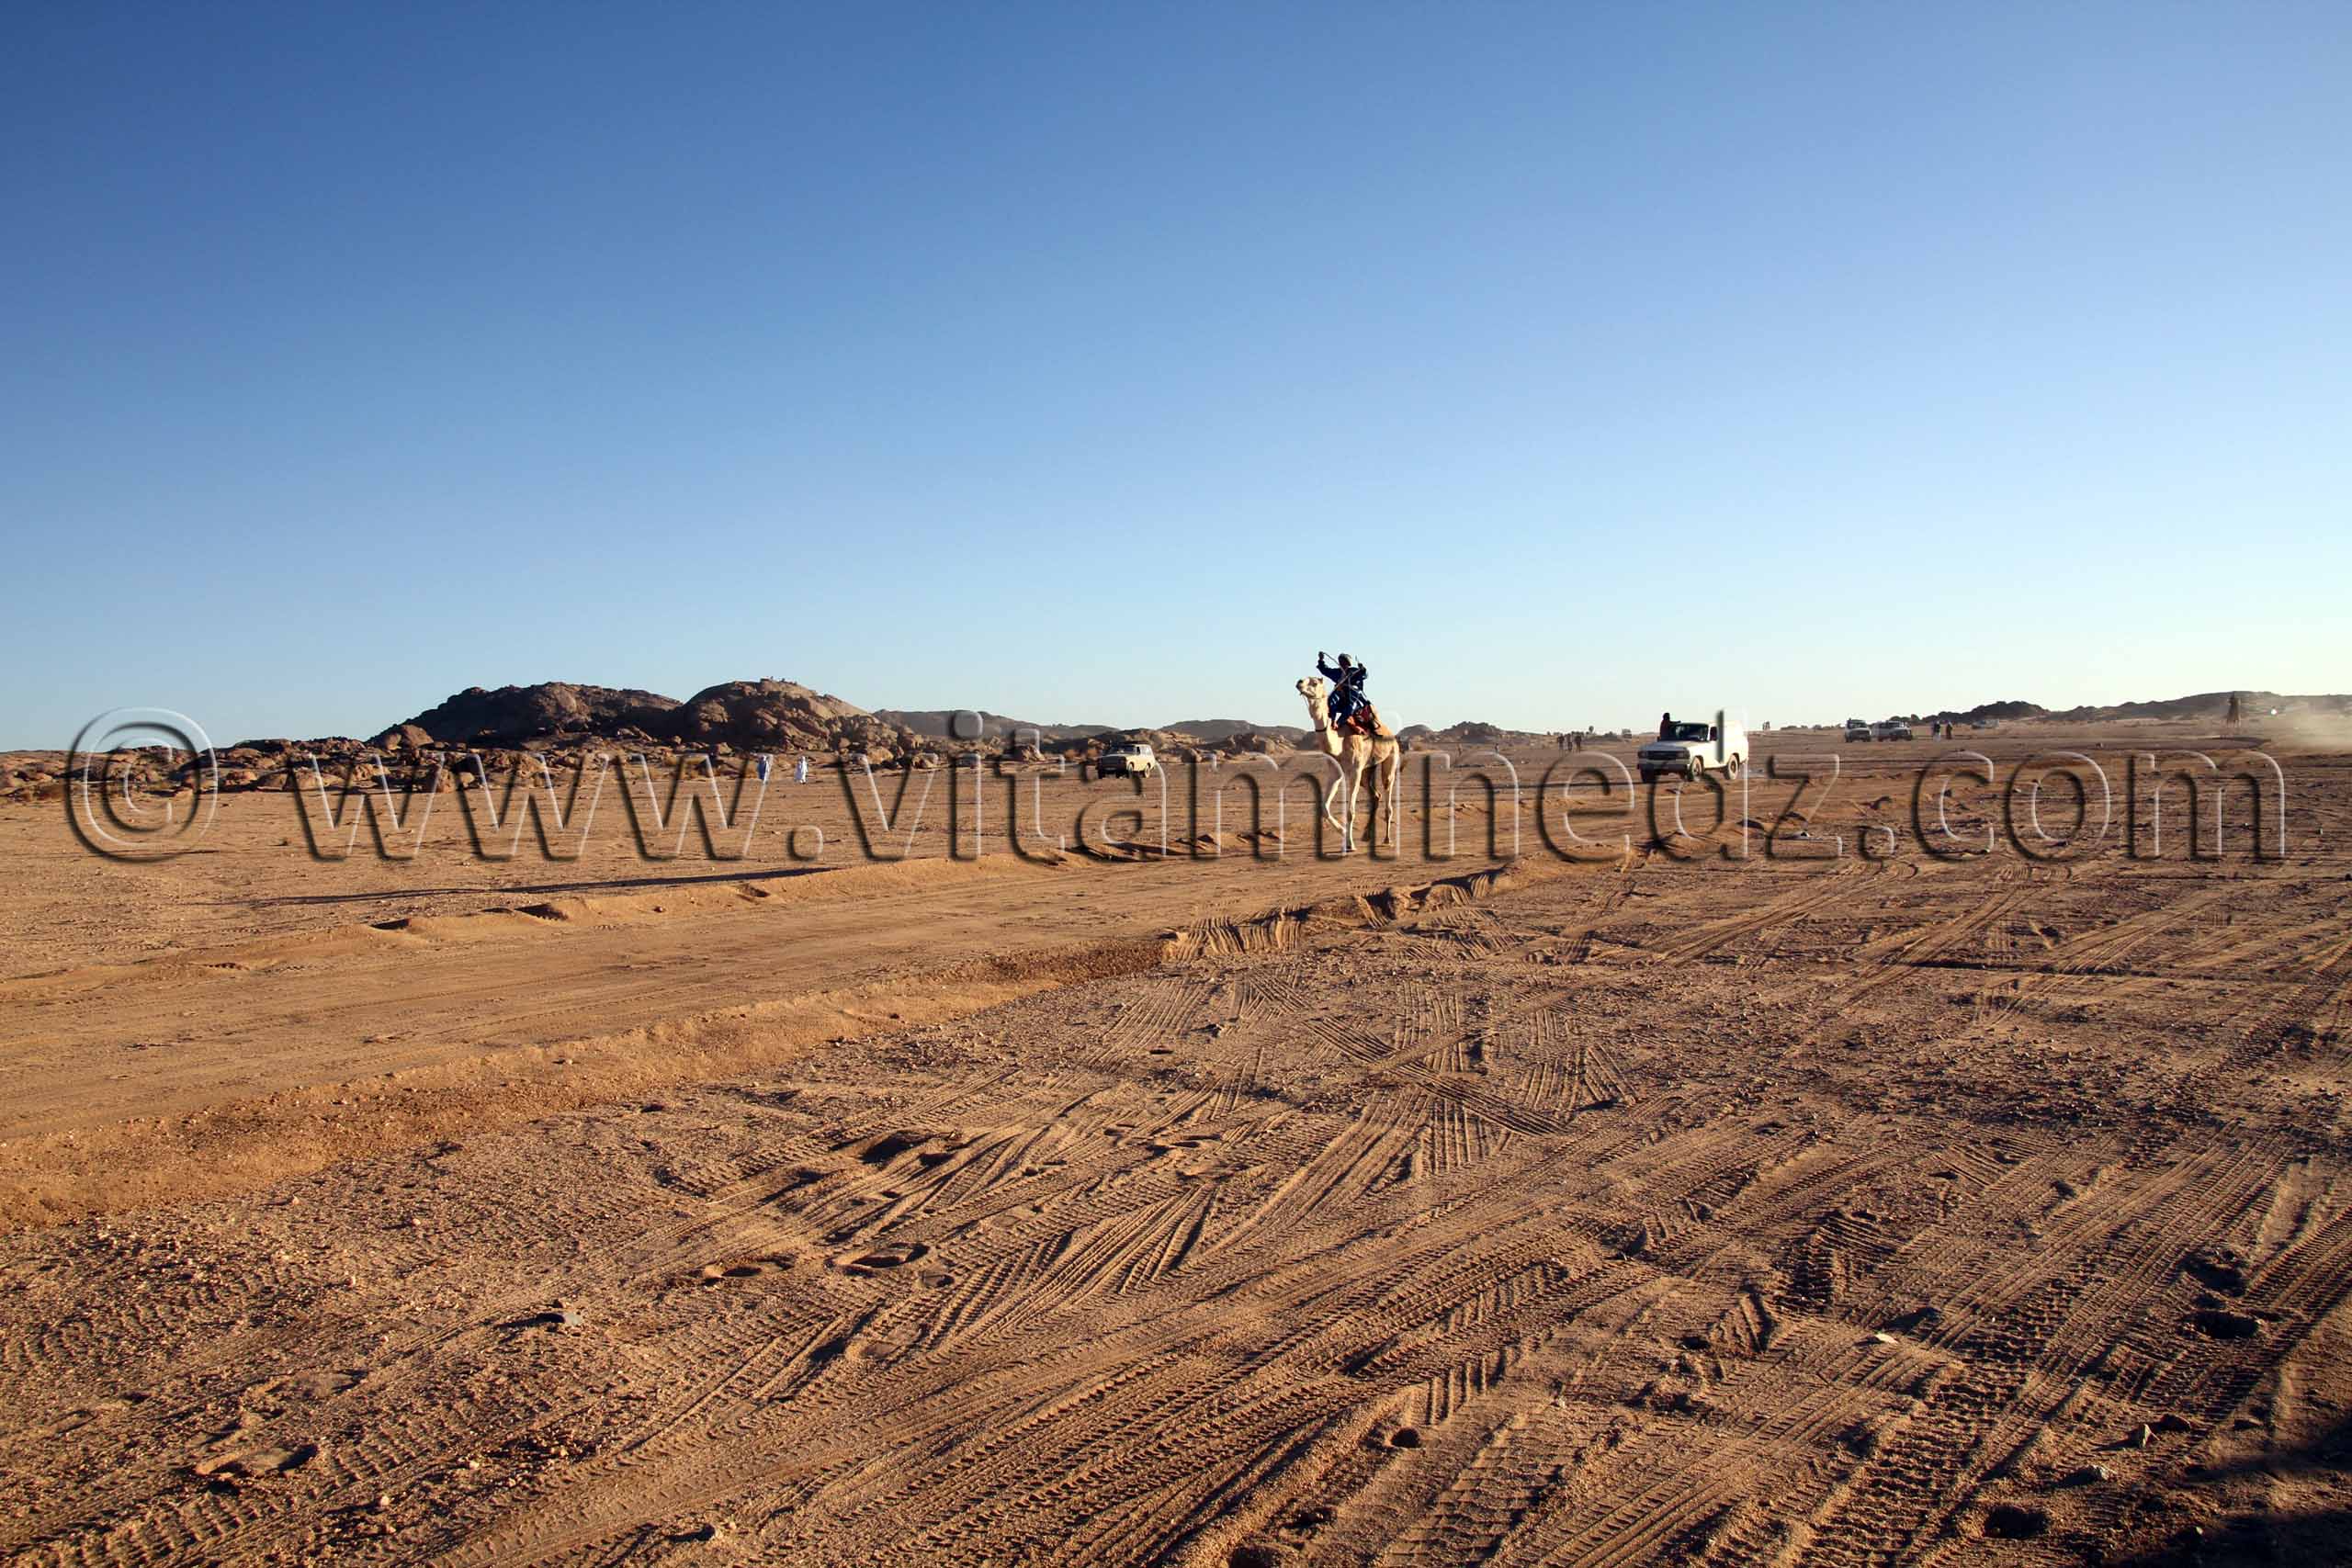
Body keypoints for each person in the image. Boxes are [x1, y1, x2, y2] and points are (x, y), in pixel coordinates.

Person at [1317, 650, 1371, 729]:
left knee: (1350, 708)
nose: (1341, 663)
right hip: (1339, 691)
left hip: (1353, 693)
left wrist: (1362, 669)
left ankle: (1338, 724)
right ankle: (1333, 721)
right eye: (1340, 661)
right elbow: (1325, 670)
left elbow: (1364, 675)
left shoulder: (1354, 671)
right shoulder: (1337, 672)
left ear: (1348, 663)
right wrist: (1321, 660)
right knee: (1331, 701)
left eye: (1343, 661)